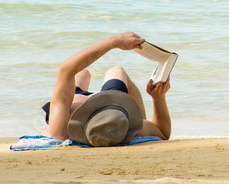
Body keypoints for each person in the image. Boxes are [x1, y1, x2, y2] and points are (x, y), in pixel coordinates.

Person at [41, 31, 171, 146]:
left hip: (75, 101)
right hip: (114, 104)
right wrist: (158, 97)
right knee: (116, 70)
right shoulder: (122, 127)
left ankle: (139, 119)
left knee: (82, 73)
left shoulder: (61, 130)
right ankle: (141, 119)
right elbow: (163, 132)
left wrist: (113, 42)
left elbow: (67, 68)